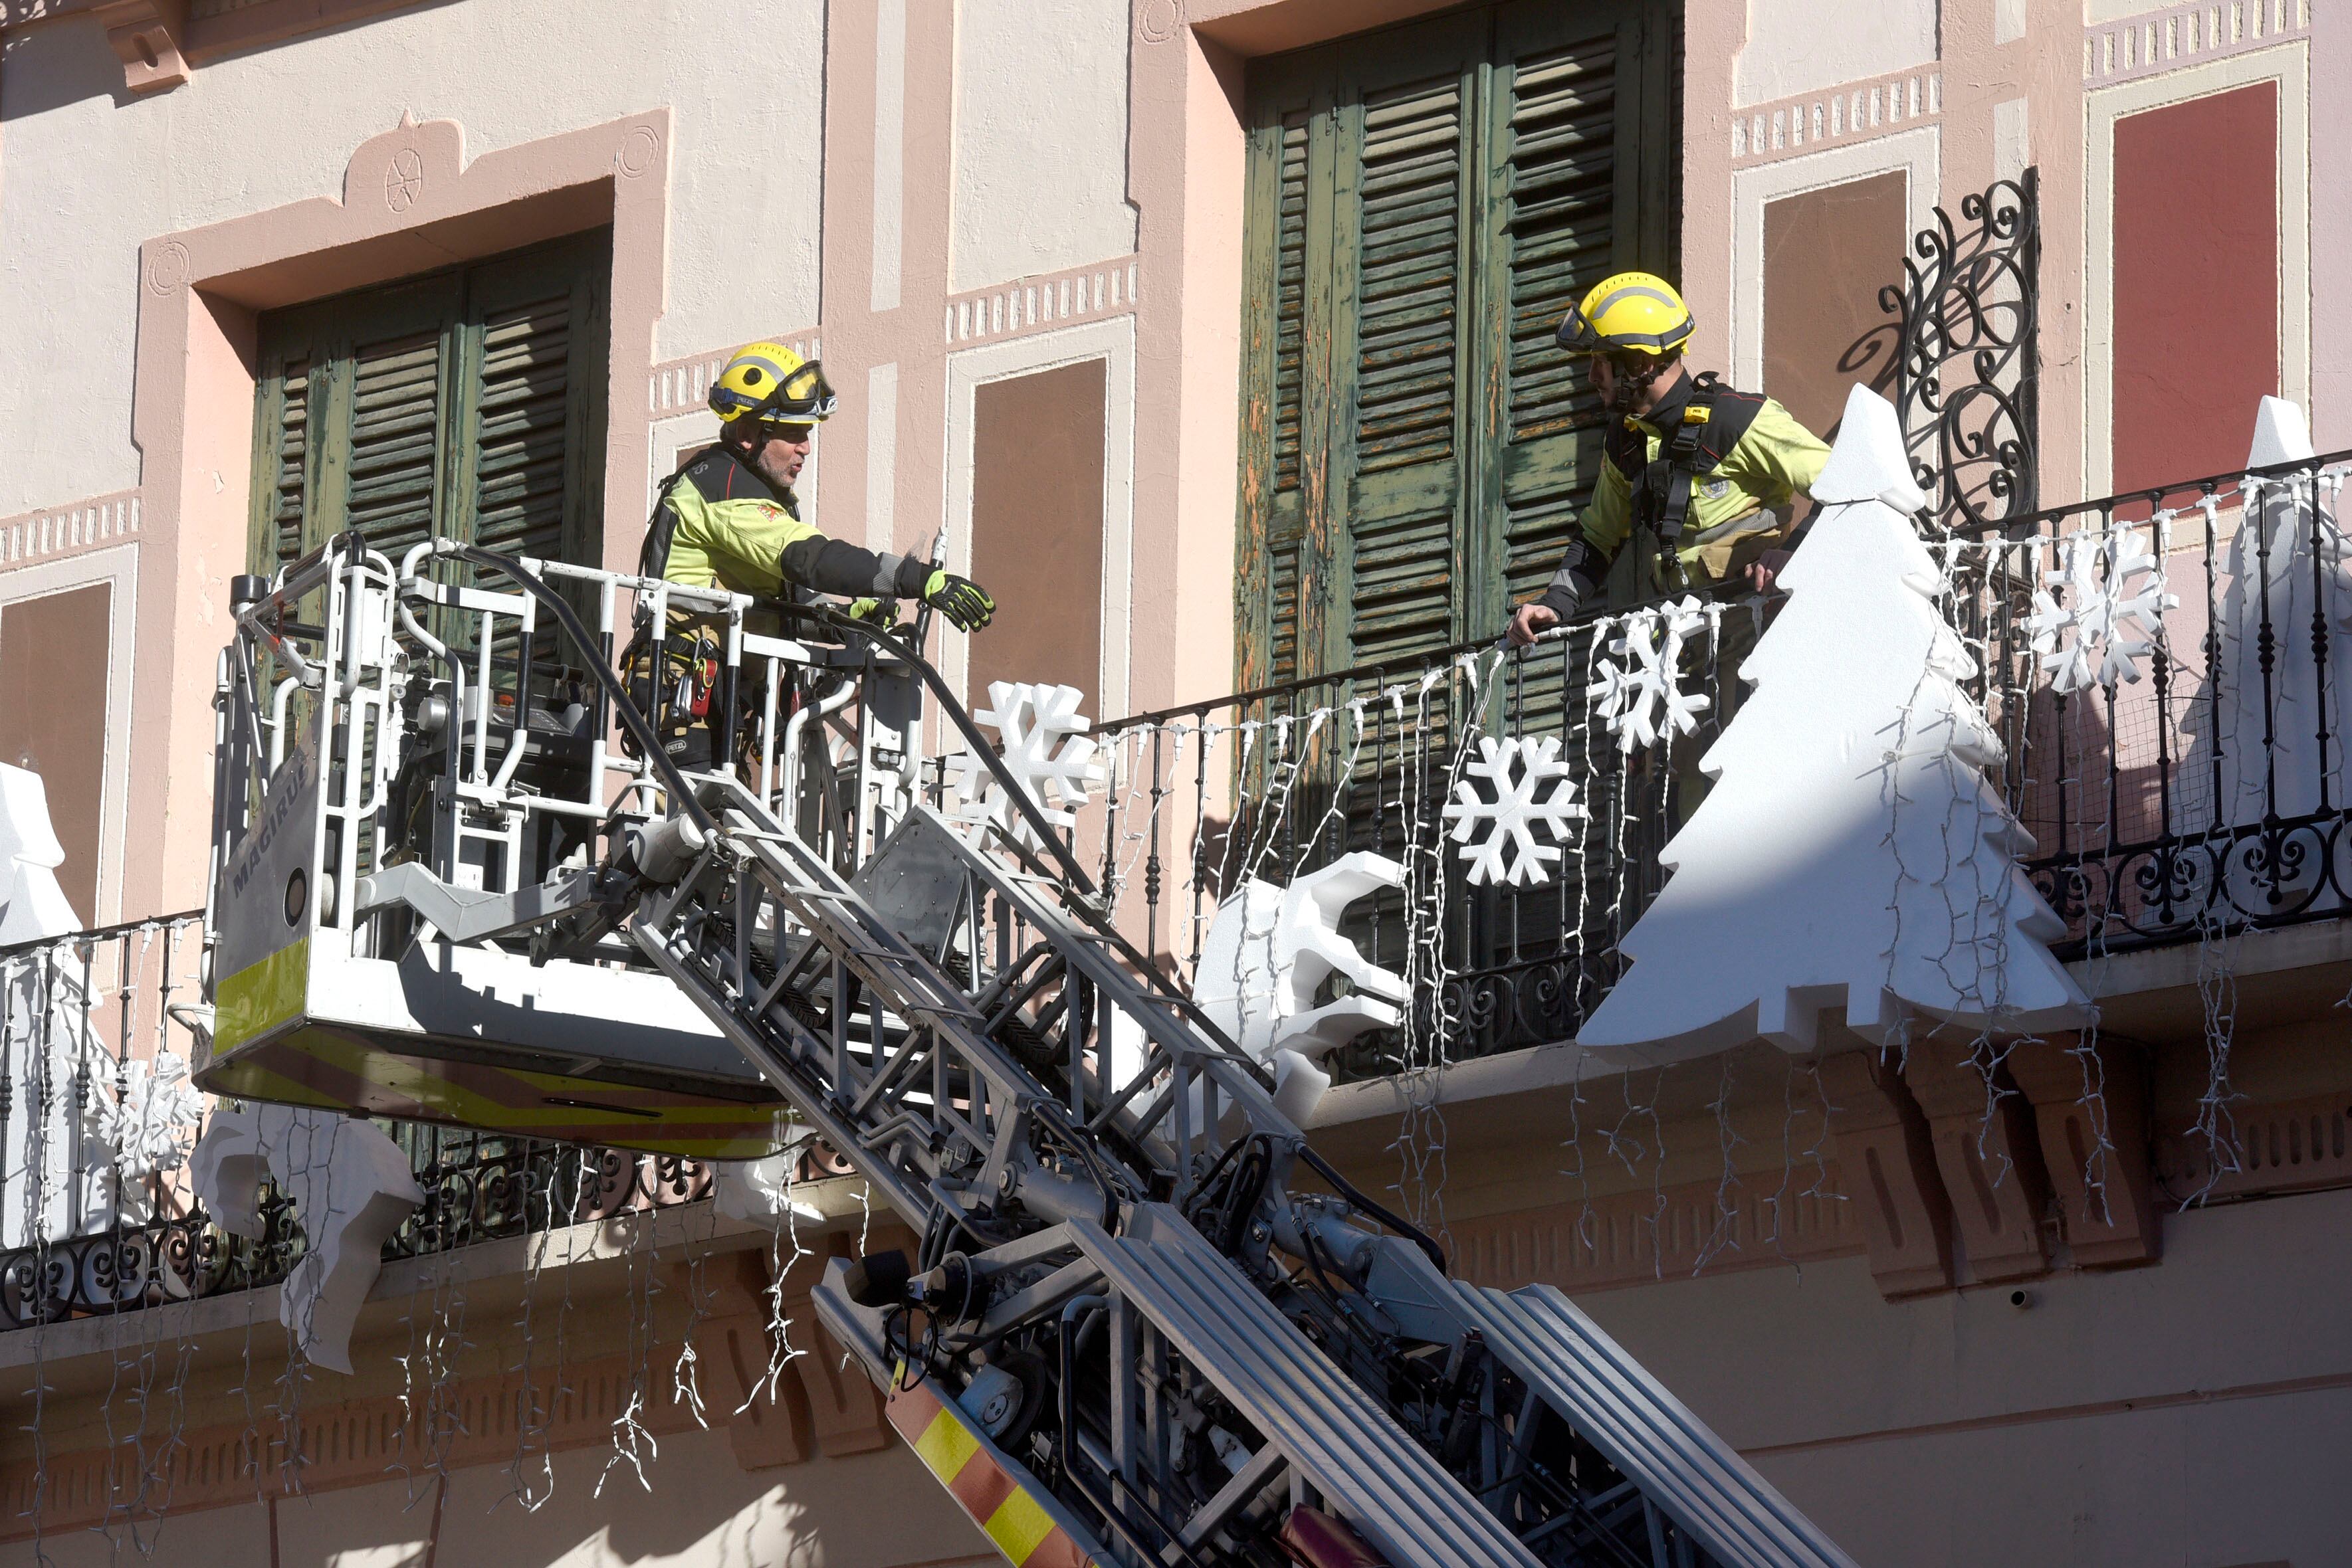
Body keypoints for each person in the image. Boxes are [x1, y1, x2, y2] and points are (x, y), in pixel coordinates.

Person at [636, 340, 994, 767]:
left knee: (725, 810)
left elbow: (783, 602)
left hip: (718, 699)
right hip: (683, 695)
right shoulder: (721, 486)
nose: (805, 447)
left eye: (806, 433)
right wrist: (916, 579)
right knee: (702, 812)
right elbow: (810, 559)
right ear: (749, 434)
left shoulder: (751, 488)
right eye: (792, 433)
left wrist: (844, 618)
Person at [1507, 273, 1830, 649]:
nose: (1592, 377)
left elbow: (1852, 485)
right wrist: (1555, 604)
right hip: (1681, 647)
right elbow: (1597, 539)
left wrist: (1794, 553)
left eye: (1600, 362)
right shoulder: (1627, 440)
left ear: (1641, 363)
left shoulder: (1736, 420)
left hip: (1762, 636)